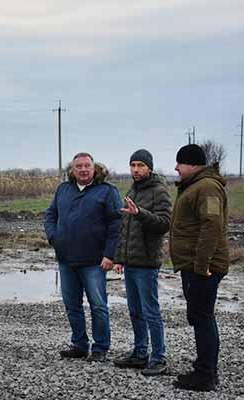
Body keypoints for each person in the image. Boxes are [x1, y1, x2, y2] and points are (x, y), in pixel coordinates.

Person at [45, 152, 122, 362]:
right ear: (72, 169)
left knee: (98, 305)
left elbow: (117, 225)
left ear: (94, 167)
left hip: (94, 261)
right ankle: (79, 344)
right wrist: (54, 237)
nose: (83, 169)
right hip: (66, 258)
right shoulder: (63, 189)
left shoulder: (107, 192)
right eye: (78, 166)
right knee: (72, 305)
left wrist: (110, 254)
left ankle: (100, 347)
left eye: (87, 165)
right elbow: (51, 215)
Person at [169, 144, 229, 392]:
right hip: (194, 266)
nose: (176, 167)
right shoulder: (196, 185)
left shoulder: (206, 187)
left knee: (203, 317)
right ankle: (204, 368)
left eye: (179, 163)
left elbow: (211, 226)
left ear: (193, 164)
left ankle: (205, 376)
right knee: (200, 316)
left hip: (202, 268)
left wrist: (202, 265)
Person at [111, 149, 172, 376]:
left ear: (149, 168)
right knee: (135, 310)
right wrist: (119, 257)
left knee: (150, 312)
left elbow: (164, 223)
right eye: (132, 165)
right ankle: (140, 353)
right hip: (131, 263)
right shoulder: (132, 191)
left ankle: (159, 358)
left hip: (147, 263)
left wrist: (140, 214)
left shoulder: (159, 191)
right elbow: (125, 230)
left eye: (140, 165)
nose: (135, 169)